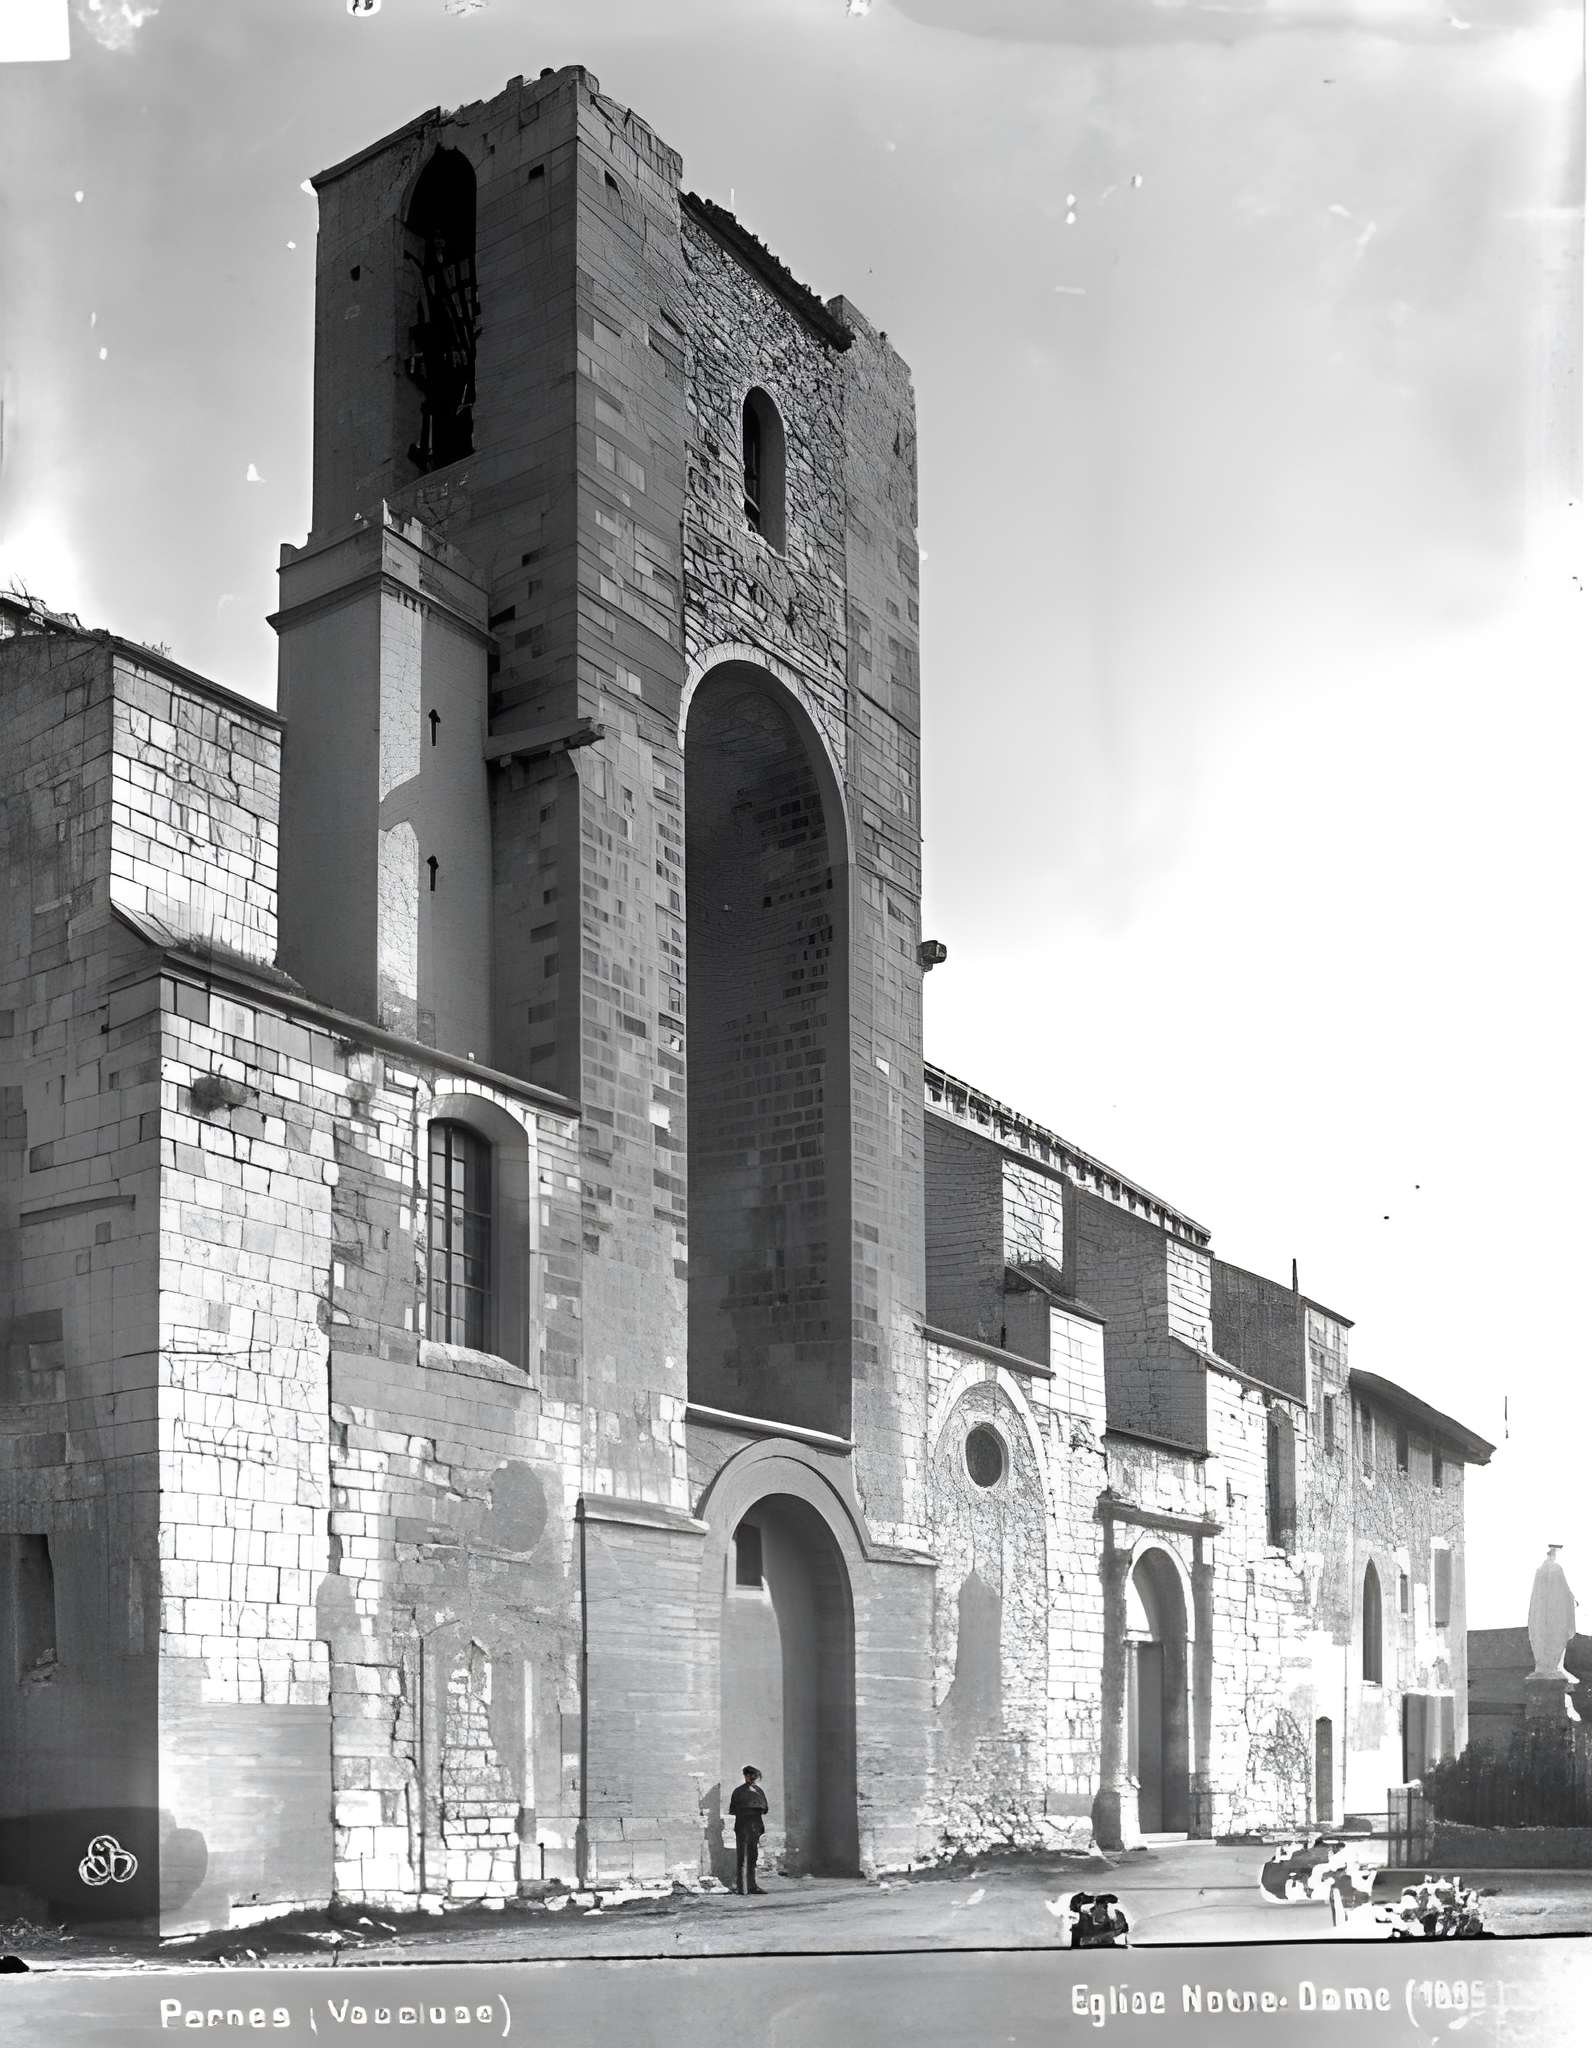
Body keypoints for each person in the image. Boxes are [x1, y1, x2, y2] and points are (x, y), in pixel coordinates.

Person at [728, 1764, 769, 1895]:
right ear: (745, 1776)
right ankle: (742, 1887)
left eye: (754, 1777)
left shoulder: (758, 1791)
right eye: (750, 1776)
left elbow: (765, 1809)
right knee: (743, 1857)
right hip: (744, 1826)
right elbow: (733, 1809)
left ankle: (751, 1886)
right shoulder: (740, 1791)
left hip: (754, 1827)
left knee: (752, 1857)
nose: (752, 1779)